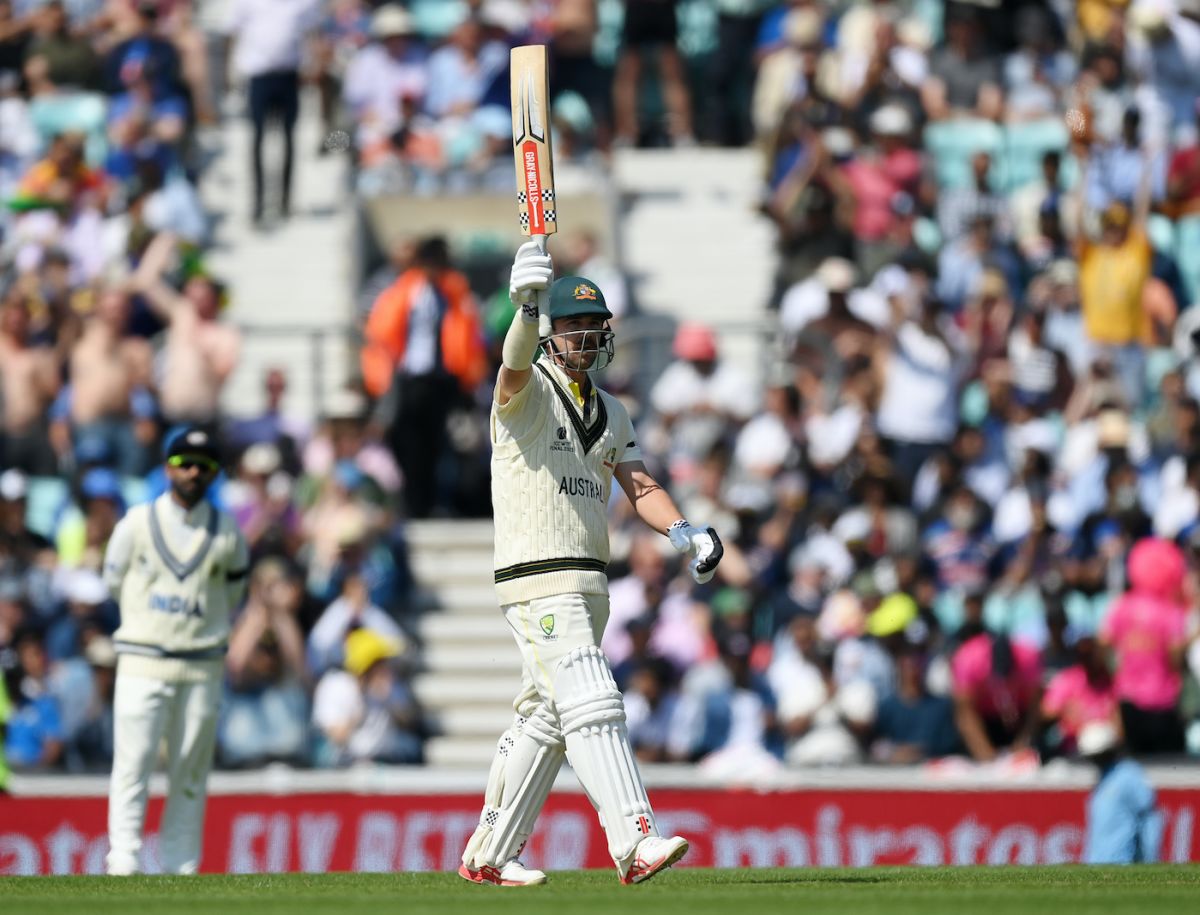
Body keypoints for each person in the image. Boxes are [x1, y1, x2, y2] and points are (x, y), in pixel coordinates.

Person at [458, 244, 724, 887]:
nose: (587, 335)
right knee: (593, 697)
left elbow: (638, 484)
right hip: (536, 574)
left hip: (589, 577)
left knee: (547, 717)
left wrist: (687, 532)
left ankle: (489, 854)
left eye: (594, 326)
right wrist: (524, 305)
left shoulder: (615, 408)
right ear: (551, 332)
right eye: (574, 325)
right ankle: (636, 841)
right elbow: (511, 363)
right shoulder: (524, 391)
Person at [101, 427, 250, 876]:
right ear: (167, 466)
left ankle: (182, 865)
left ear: (215, 474)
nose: (192, 472)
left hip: (201, 664)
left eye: (203, 466)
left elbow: (234, 592)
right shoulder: (137, 523)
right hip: (143, 660)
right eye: (184, 462)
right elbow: (113, 579)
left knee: (190, 774)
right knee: (134, 765)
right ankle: (123, 860)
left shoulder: (227, 531)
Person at [1079, 720, 1163, 864]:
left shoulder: (1129, 775)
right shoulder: (1103, 779)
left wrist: (1150, 859)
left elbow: (1149, 819)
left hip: (1122, 862)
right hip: (1097, 862)